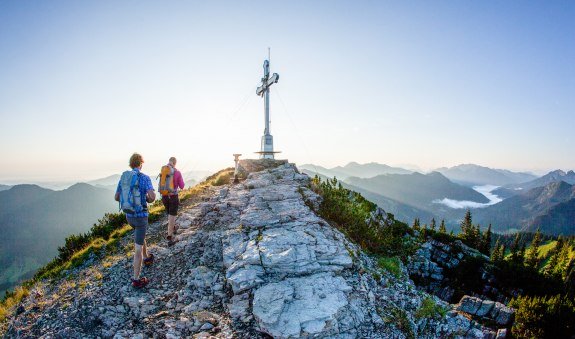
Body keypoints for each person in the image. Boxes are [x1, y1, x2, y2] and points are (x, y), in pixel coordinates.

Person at [115, 153, 156, 288]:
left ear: (130, 164)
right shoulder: (144, 178)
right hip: (140, 217)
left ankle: (146, 257)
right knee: (137, 249)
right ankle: (136, 279)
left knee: (140, 236)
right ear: (141, 164)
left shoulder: (124, 178)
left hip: (129, 216)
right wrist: (147, 198)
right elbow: (152, 197)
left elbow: (116, 197)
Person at [162, 156, 185, 246]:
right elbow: (182, 186)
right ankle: (170, 236)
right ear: (175, 163)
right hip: (173, 197)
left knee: (169, 214)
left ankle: (173, 228)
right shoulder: (177, 172)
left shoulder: (163, 170)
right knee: (172, 216)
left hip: (164, 197)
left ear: (169, 162)